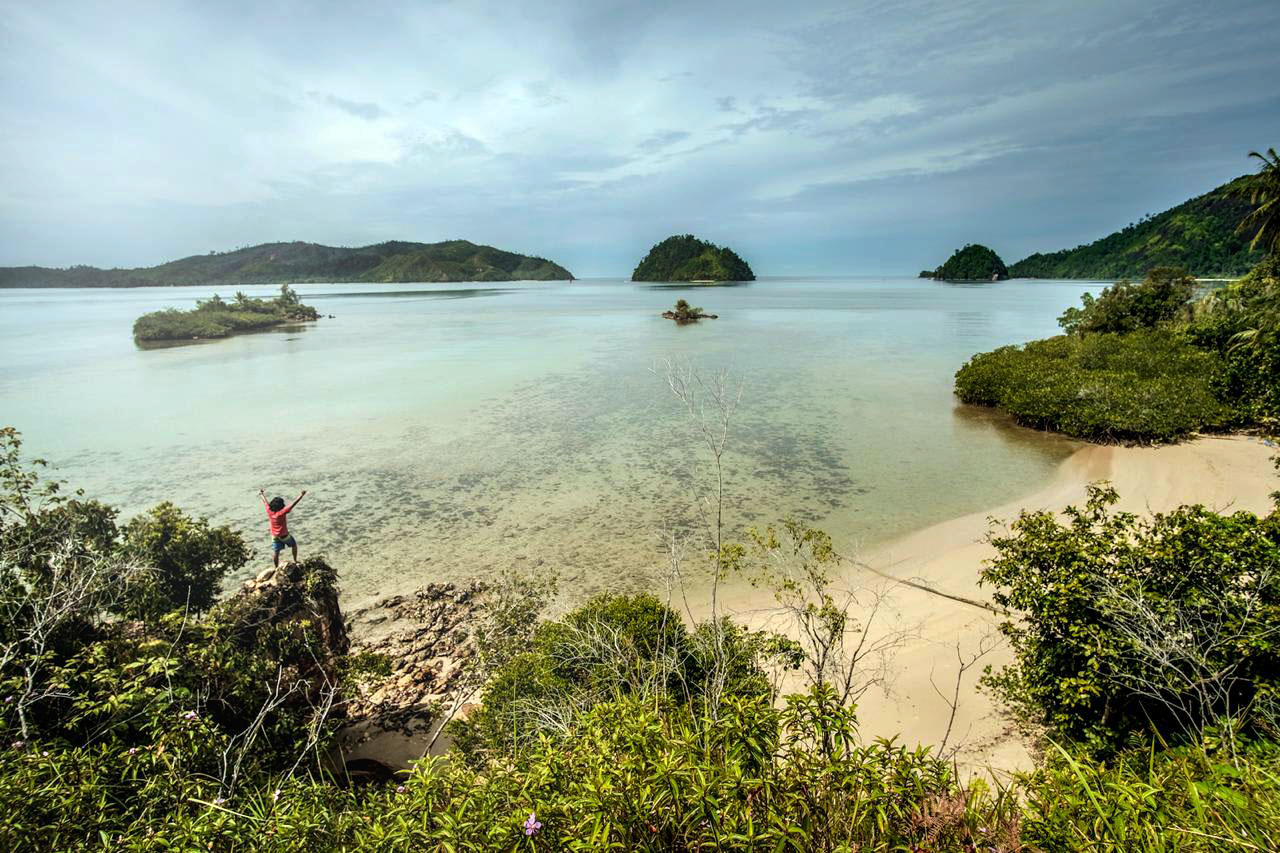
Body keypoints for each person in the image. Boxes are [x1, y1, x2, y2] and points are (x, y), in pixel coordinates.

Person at [259, 488, 306, 567]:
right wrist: (301, 495)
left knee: (276, 552)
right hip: (284, 536)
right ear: (281, 506)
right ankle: (295, 560)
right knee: (294, 545)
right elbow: (293, 504)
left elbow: (265, 502)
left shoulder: (269, 511)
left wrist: (261, 494)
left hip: (274, 536)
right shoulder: (282, 512)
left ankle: (276, 567)